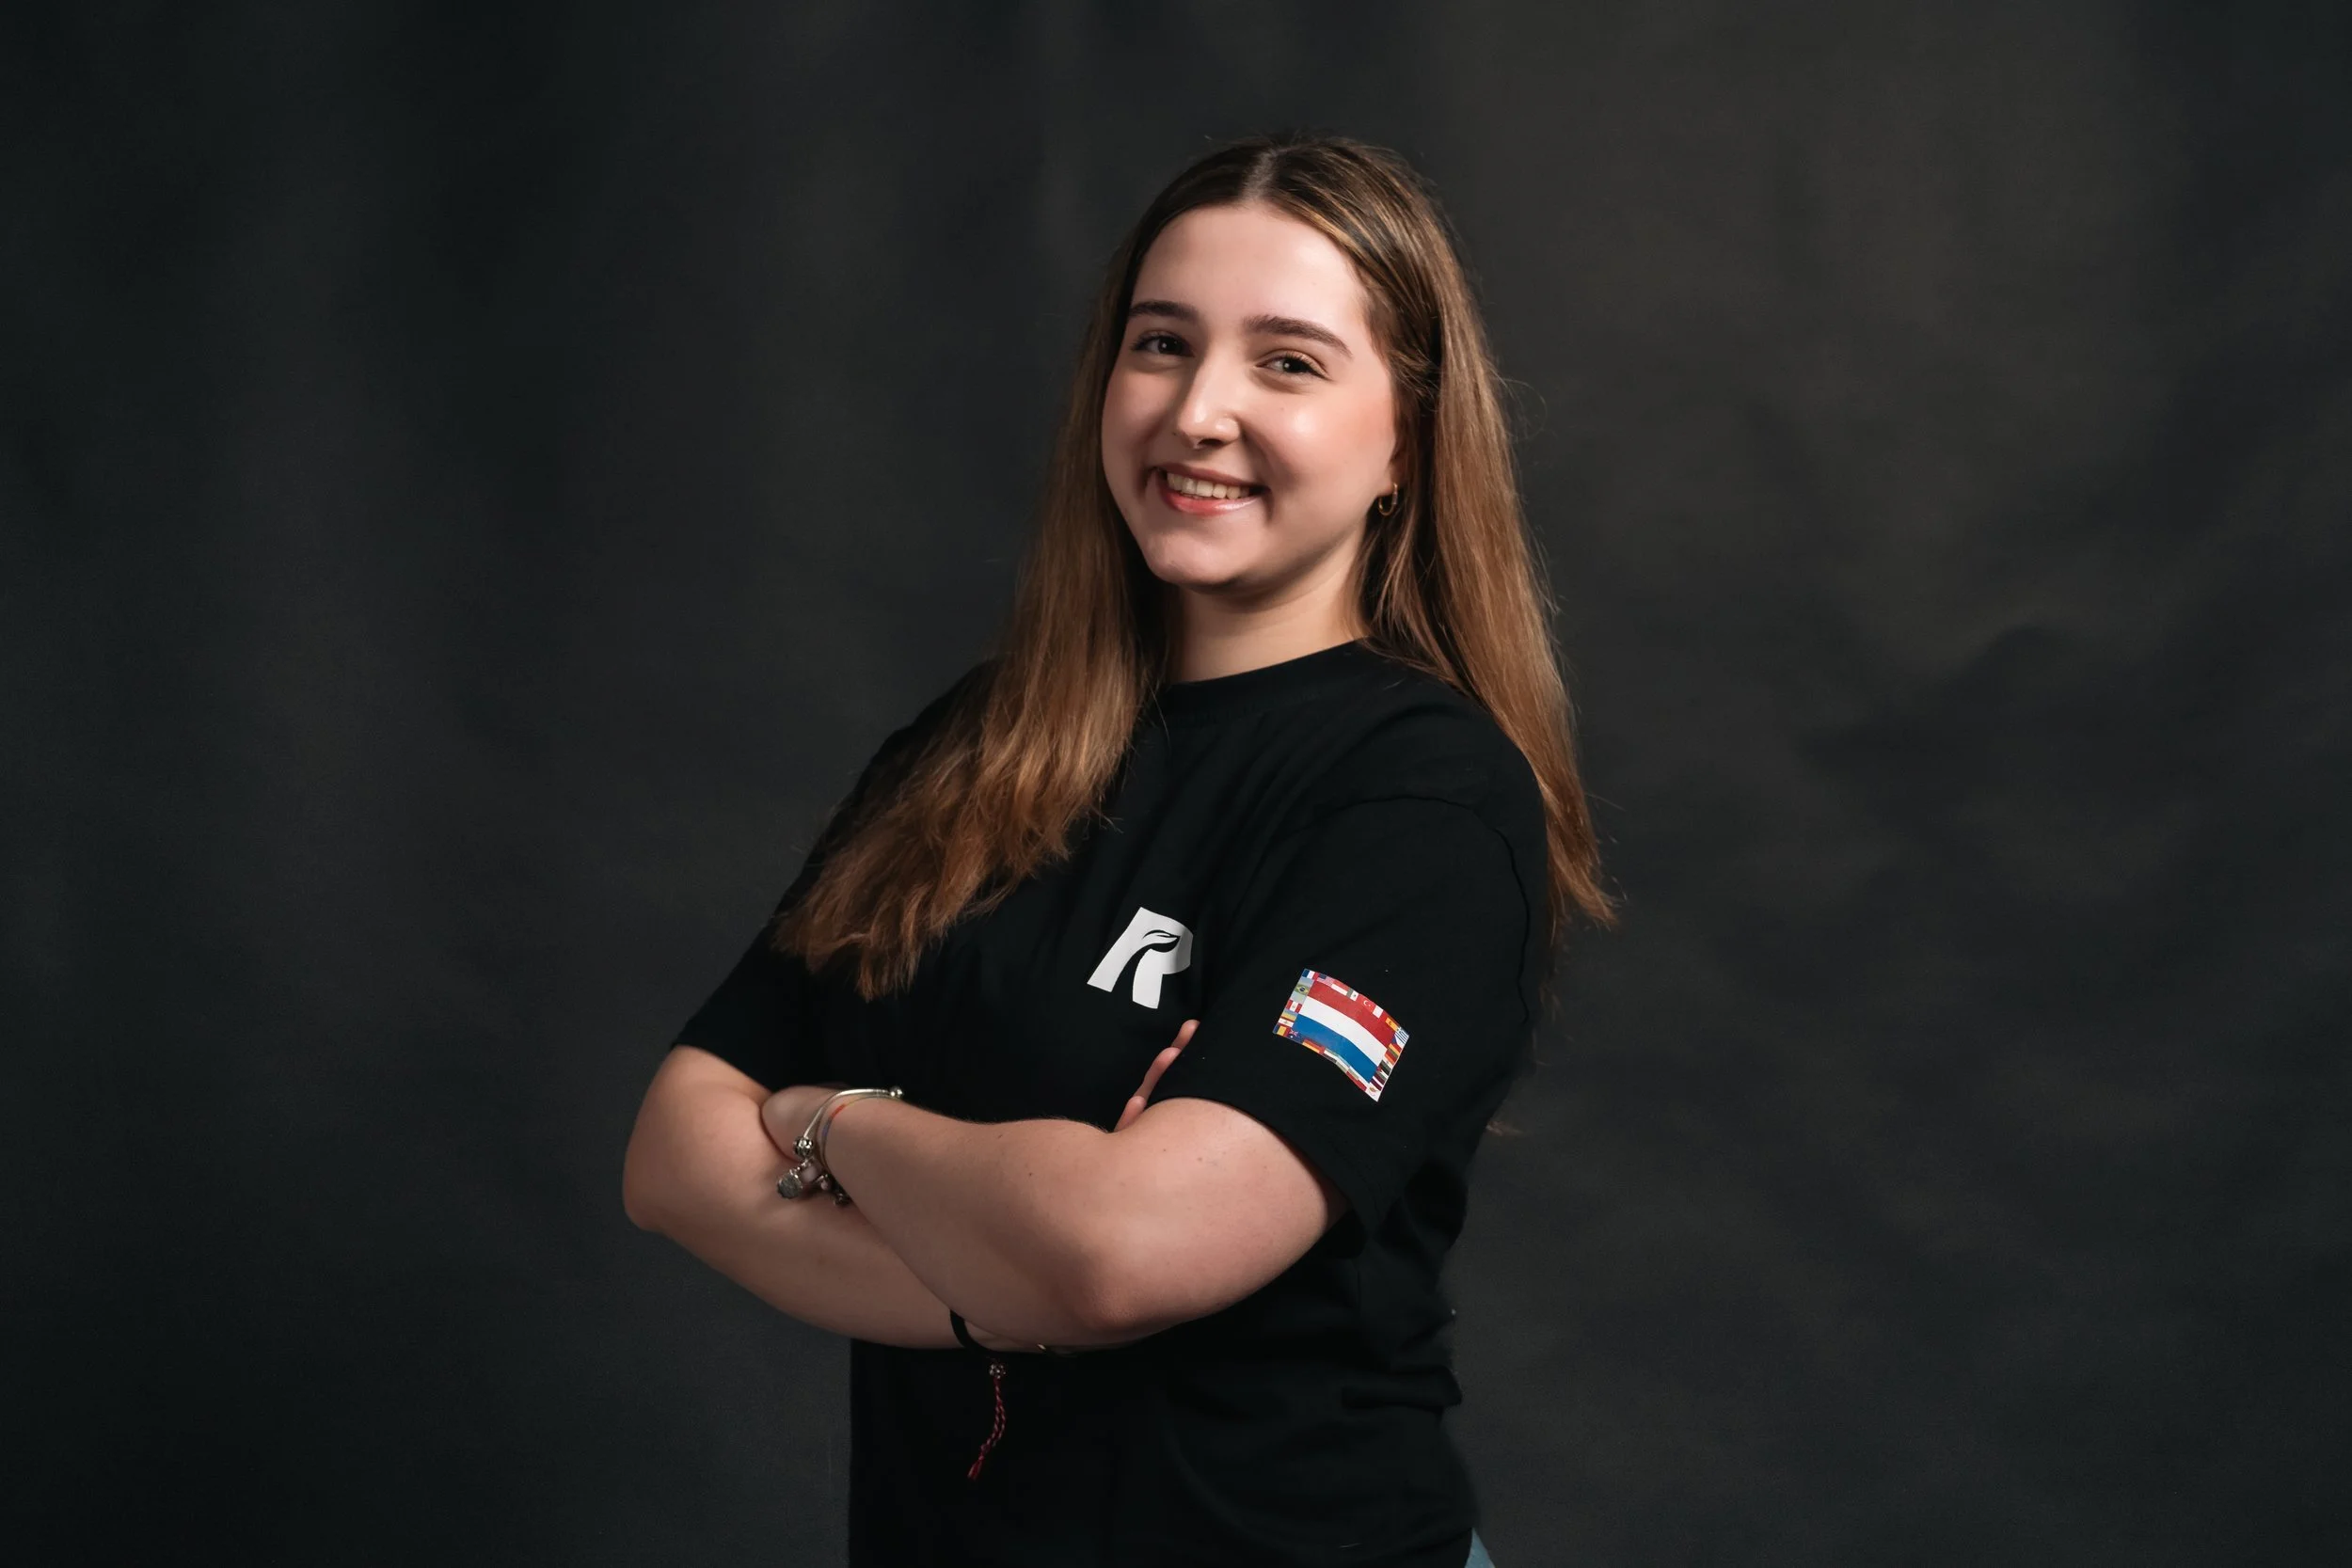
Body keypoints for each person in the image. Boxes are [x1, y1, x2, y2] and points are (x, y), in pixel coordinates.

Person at [622, 131, 1611, 1568]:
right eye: (1162, 344)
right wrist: (1012, 1268)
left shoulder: (1424, 800)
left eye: (1287, 361)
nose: (1199, 411)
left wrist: (831, 1120)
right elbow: (671, 1151)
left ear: (1406, 436)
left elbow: (1121, 1251)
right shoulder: (974, 746)